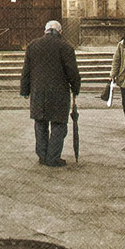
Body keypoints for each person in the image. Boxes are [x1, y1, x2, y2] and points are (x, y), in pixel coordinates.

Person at [19, 19, 81, 168]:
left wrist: (25, 90)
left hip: (38, 91)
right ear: (60, 32)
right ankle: (53, 157)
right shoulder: (65, 47)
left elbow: (26, 70)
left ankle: (42, 155)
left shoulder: (33, 46)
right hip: (59, 92)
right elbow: (72, 72)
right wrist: (75, 88)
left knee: (40, 123)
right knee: (59, 124)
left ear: (45, 31)